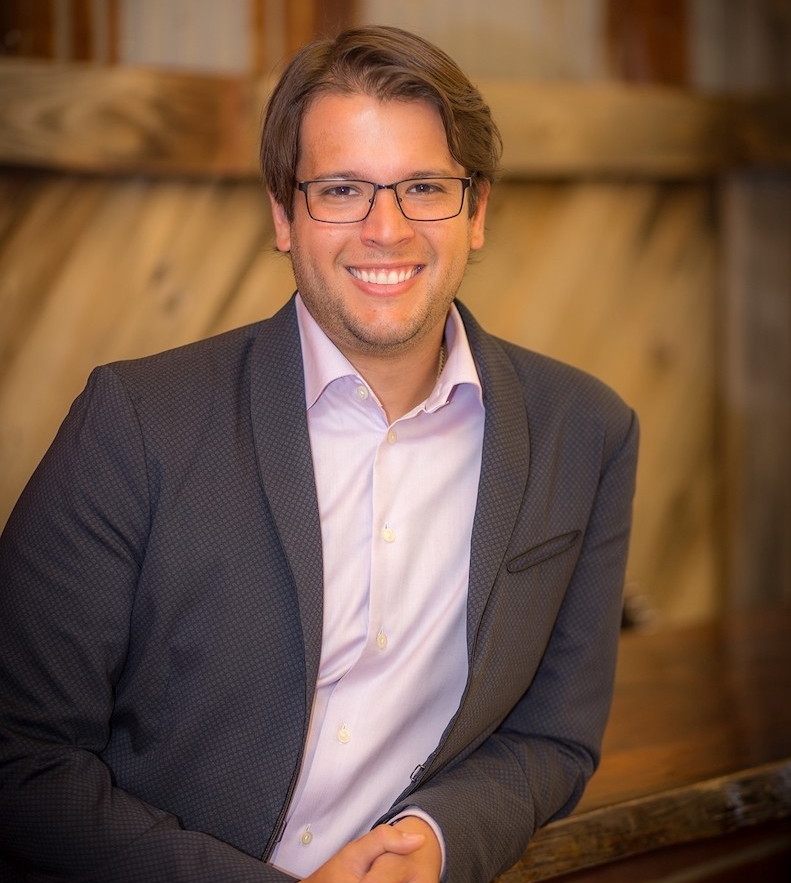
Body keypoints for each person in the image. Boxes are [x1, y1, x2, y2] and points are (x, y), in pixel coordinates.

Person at [0, 25, 638, 883]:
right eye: (341, 189)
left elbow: (553, 735)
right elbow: (19, 754)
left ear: (475, 212)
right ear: (282, 214)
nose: (387, 228)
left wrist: (439, 842)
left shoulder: (585, 430)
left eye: (423, 186)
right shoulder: (134, 423)